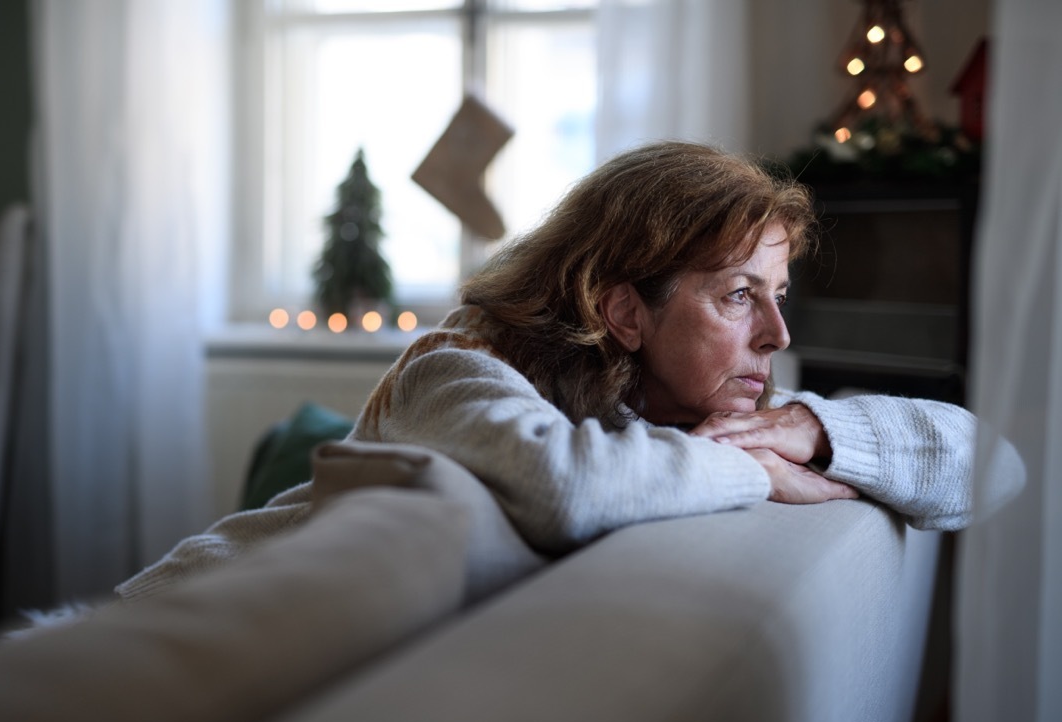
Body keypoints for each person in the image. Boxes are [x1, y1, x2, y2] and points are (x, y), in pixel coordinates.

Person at [116, 140, 1024, 601]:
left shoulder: (695, 415)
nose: (778, 332)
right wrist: (756, 467)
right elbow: (563, 486)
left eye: (778, 293)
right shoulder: (453, 370)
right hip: (153, 635)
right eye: (739, 295)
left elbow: (995, 466)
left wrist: (817, 431)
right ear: (622, 309)